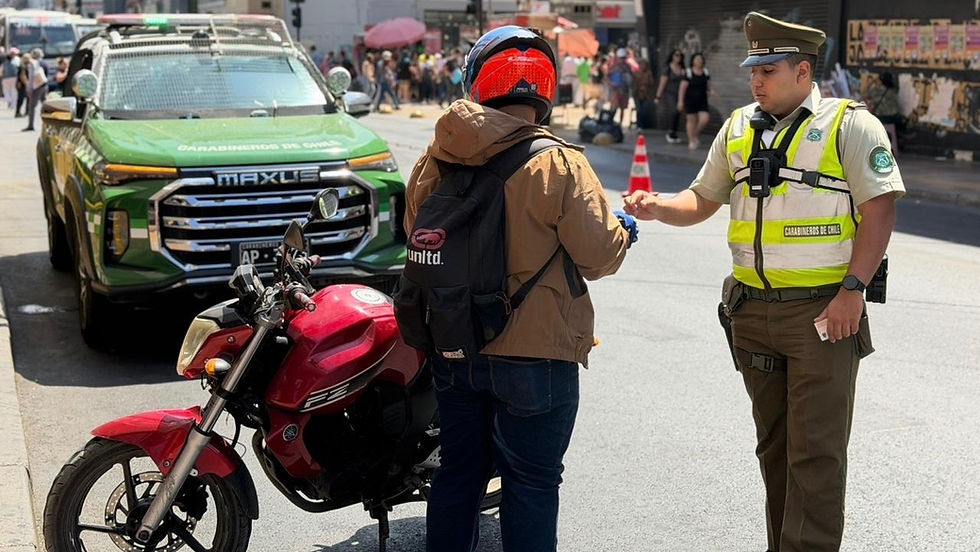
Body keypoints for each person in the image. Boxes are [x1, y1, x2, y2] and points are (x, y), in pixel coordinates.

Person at [624, 11, 904, 552]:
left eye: (768, 69)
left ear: (803, 72)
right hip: (752, 313)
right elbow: (701, 200)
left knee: (815, 455)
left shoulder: (850, 125)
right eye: (753, 68)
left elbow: (882, 209)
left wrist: (853, 291)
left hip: (823, 315)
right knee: (773, 449)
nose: (755, 79)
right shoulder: (737, 127)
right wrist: (659, 206)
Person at [404, 25, 632, 552]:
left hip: (455, 345)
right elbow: (600, 257)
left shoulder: (433, 161)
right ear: (546, 91)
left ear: (478, 82)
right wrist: (623, 231)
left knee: (459, 472)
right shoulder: (560, 164)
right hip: (538, 355)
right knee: (531, 484)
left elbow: (418, 244)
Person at [677, 52, 713, 149]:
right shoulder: (688, 73)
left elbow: (707, 85)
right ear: (693, 61)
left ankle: (694, 134)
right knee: (691, 120)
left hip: (702, 100)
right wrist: (680, 101)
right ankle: (691, 140)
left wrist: (711, 90)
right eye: (696, 59)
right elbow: (682, 88)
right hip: (690, 100)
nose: (699, 61)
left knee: (704, 119)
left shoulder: (705, 72)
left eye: (700, 60)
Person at [654, 49, 686, 143]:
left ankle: (674, 132)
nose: (678, 57)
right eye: (676, 55)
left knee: (678, 112)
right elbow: (662, 83)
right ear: (672, 56)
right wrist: (658, 96)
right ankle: (671, 132)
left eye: (680, 56)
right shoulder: (667, 68)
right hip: (670, 93)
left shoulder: (683, 68)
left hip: (681, 94)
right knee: (674, 111)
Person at [865, 71, 900, 153]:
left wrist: (872, 82)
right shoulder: (893, 91)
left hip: (881, 118)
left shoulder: (877, 90)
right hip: (893, 118)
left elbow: (865, 93)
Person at [606, 47, 633, 126]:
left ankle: (620, 124)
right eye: (621, 58)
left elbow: (630, 77)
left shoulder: (627, 66)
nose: (622, 60)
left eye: (623, 58)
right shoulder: (613, 66)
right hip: (615, 90)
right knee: (614, 107)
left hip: (624, 90)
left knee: (622, 108)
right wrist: (611, 83)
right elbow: (607, 77)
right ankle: (610, 122)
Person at [23, 49, 48, 131]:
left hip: (36, 87)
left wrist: (29, 90)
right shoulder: (44, 63)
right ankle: (48, 124)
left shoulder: (32, 64)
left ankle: (31, 125)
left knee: (32, 106)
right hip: (44, 85)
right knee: (45, 105)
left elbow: (31, 78)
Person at [631, 58, 656, 129]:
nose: (642, 66)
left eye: (643, 64)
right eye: (640, 64)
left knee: (644, 110)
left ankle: (644, 124)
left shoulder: (648, 73)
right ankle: (639, 125)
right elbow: (633, 83)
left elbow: (651, 83)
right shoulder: (635, 73)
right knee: (639, 110)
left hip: (646, 94)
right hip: (637, 93)